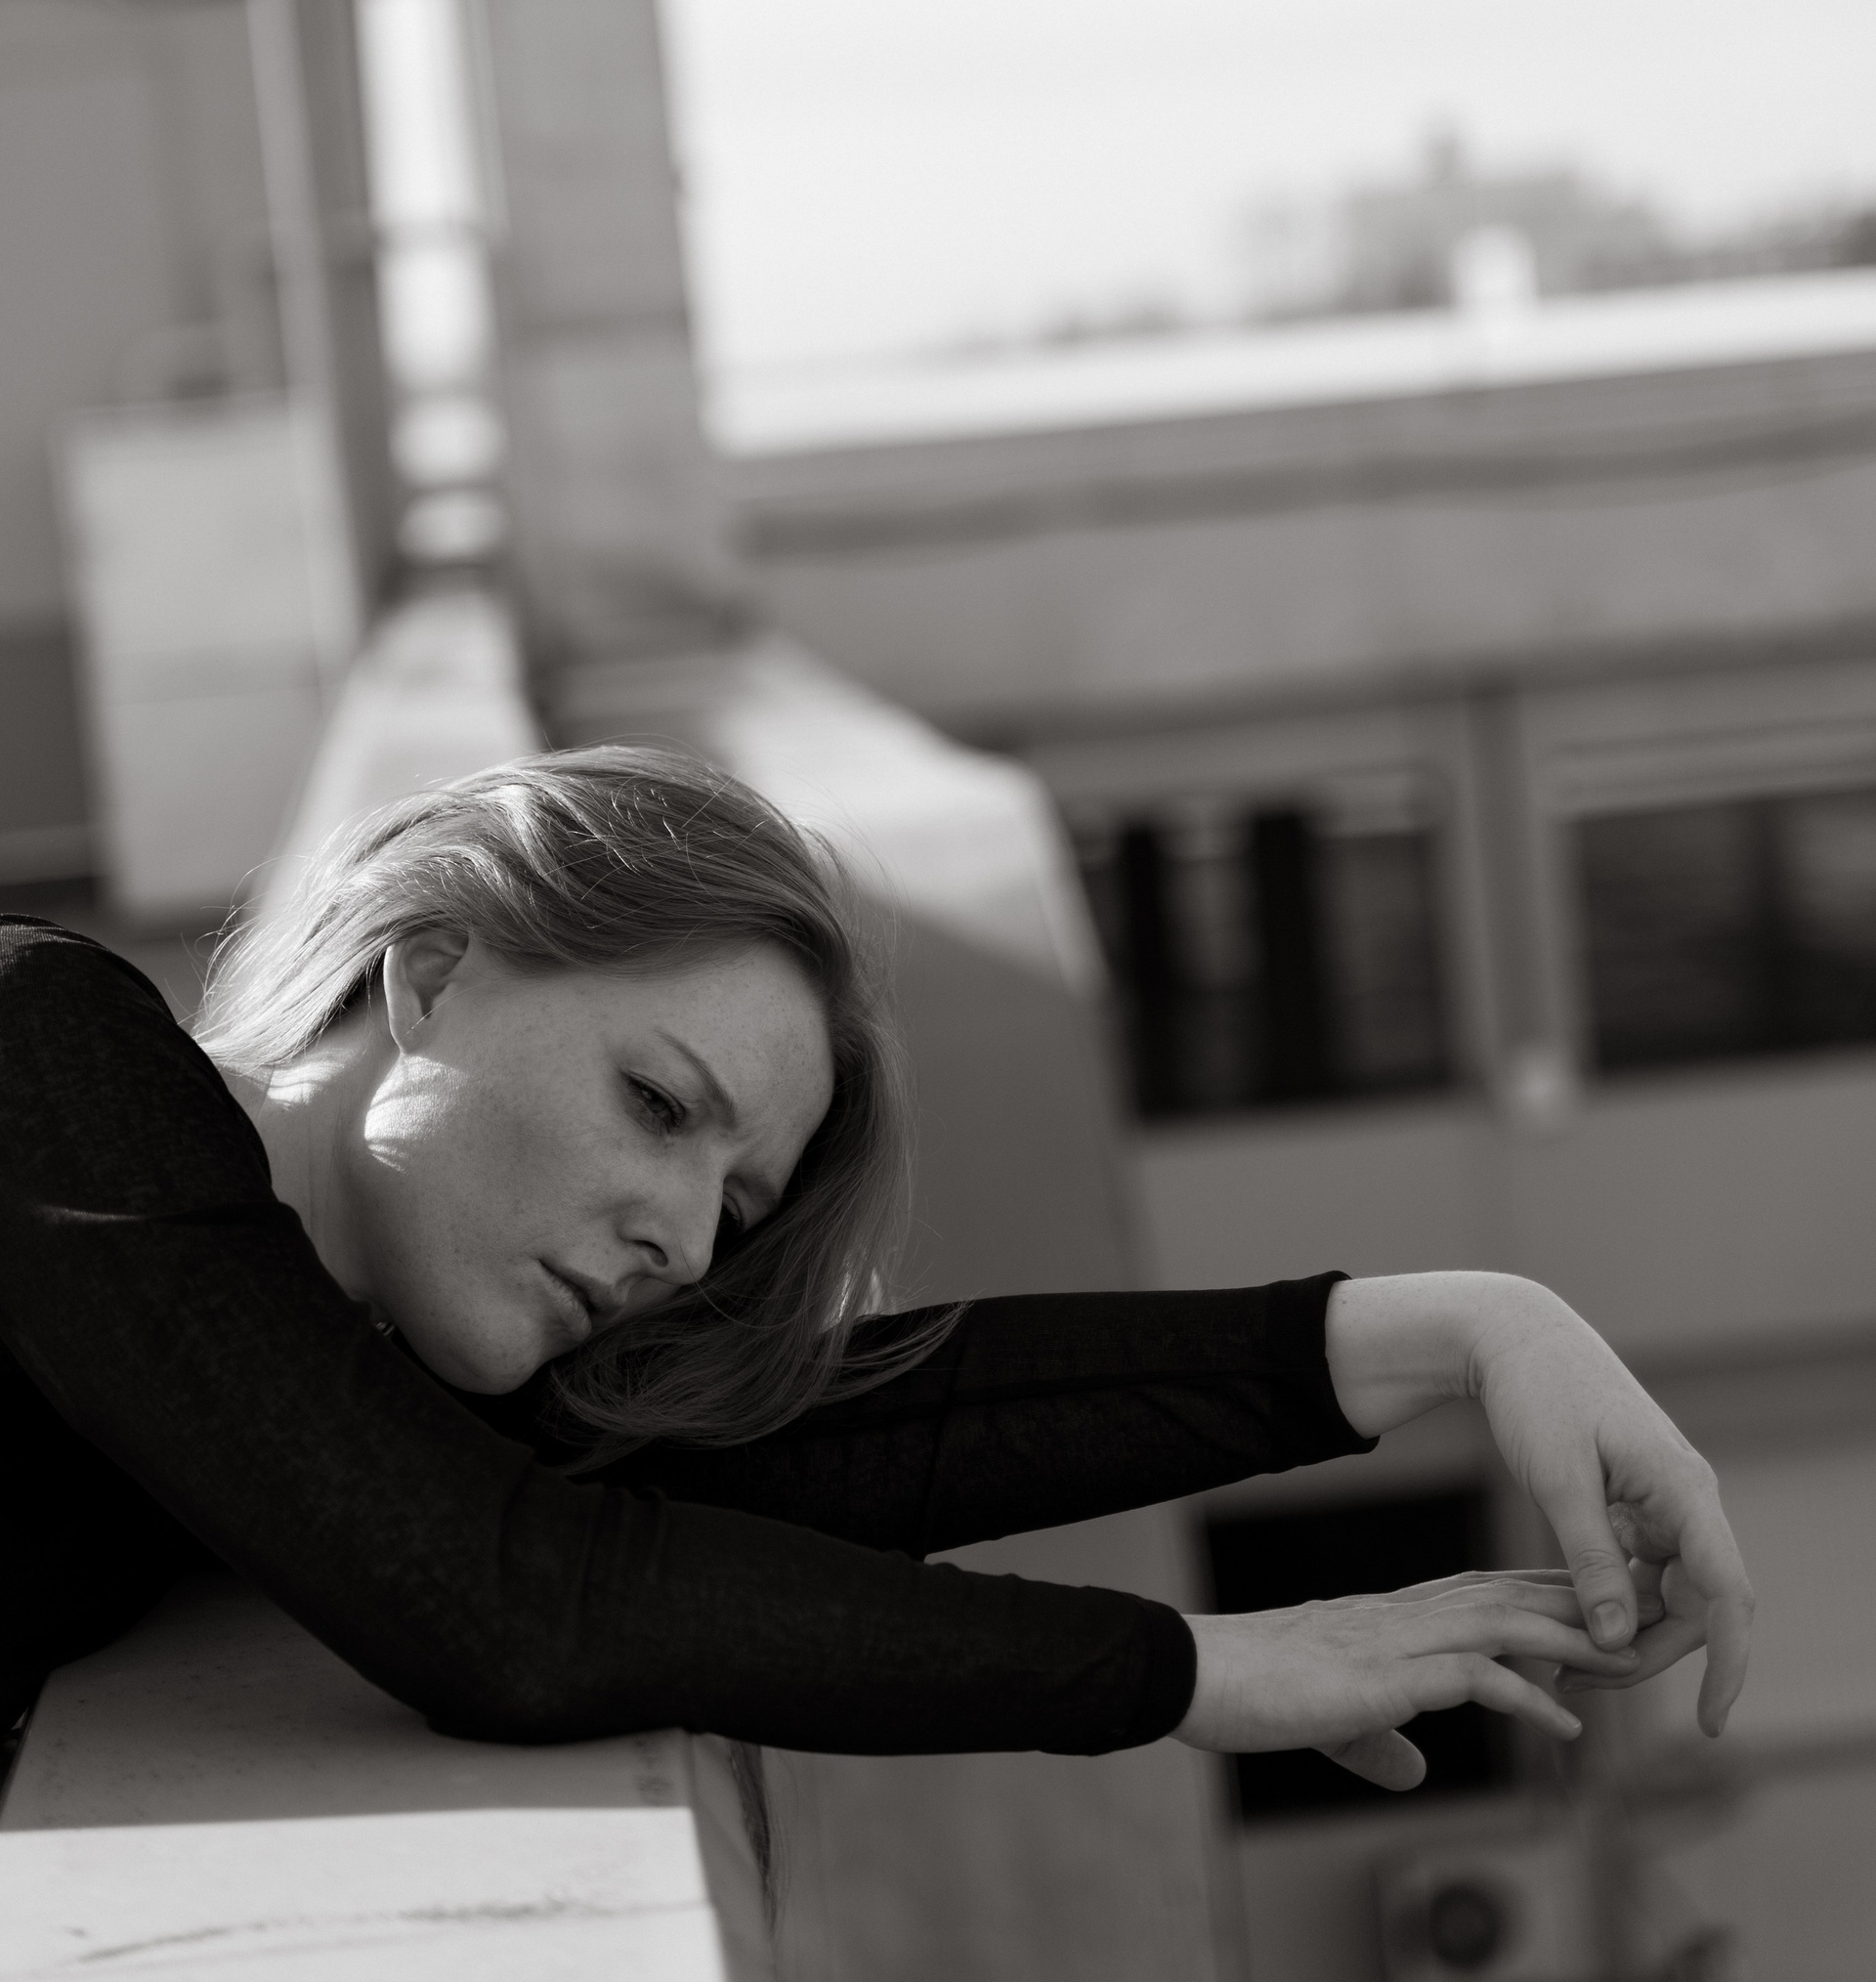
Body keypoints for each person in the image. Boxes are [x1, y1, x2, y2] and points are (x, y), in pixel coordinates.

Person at [0, 748, 1752, 1804]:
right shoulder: (43, 1054)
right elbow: (508, 1607)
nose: (686, 1243)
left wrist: (1449, 1334)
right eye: (657, 1103)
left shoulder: (296, 1355)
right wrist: (1206, 1672)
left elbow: (772, 1464)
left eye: (737, 1202)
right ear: (435, 970)